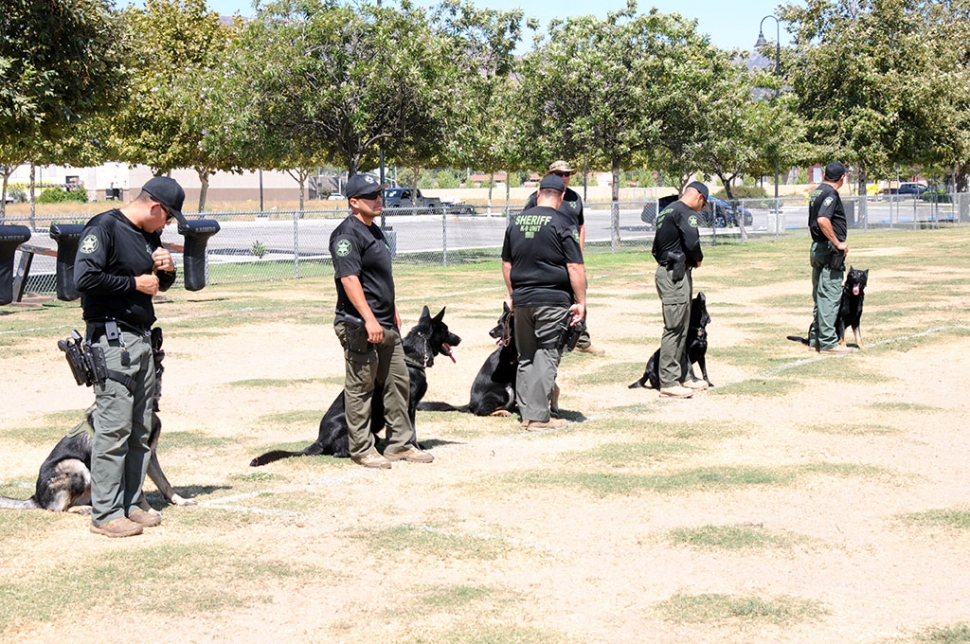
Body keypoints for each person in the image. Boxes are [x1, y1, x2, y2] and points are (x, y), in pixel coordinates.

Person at [74, 176, 180, 538]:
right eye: (167, 218)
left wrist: (166, 271)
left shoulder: (147, 234)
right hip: (111, 339)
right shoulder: (103, 227)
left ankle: (133, 503)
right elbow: (84, 279)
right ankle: (105, 514)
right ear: (155, 207)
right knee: (113, 429)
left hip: (141, 338)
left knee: (140, 428)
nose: (167, 226)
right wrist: (135, 283)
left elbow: (157, 284)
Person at [329, 173, 433, 469]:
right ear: (353, 202)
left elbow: (379, 278)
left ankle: (399, 444)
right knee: (361, 387)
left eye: (380, 194)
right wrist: (370, 320)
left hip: (386, 323)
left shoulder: (375, 231)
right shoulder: (346, 235)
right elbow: (349, 280)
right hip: (359, 324)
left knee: (398, 382)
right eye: (372, 195)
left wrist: (393, 308)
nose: (379, 199)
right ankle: (361, 448)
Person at [502, 173, 586, 430]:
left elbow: (507, 264)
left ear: (538, 195)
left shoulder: (515, 223)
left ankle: (528, 411)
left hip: (523, 299)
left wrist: (513, 295)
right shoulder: (562, 222)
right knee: (547, 354)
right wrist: (581, 302)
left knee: (526, 356)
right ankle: (538, 418)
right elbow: (574, 266)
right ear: (561, 197)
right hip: (552, 298)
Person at [523, 160, 603, 355]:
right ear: (550, 175)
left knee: (579, 295)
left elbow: (581, 226)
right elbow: (526, 226)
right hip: (546, 259)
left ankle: (581, 340)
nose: (564, 178)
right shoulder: (537, 197)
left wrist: (579, 252)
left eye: (567, 174)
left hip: (570, 257)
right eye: (559, 174)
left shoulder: (575, 198)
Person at [651, 181, 707, 399]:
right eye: (703, 205)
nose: (701, 209)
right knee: (675, 327)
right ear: (699, 197)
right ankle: (669, 381)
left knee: (683, 326)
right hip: (675, 275)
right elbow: (692, 243)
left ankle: (684, 375)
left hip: (671, 270)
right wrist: (698, 259)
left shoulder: (667, 210)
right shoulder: (685, 212)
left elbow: (656, 248)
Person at [807, 161, 853, 354]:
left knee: (820, 294)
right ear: (843, 177)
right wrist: (837, 242)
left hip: (818, 247)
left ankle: (816, 338)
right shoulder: (831, 194)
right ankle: (827, 342)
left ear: (825, 174)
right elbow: (823, 219)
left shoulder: (817, 192)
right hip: (828, 250)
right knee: (830, 295)